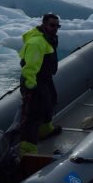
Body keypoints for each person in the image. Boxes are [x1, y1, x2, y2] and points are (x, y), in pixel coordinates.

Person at [18, 13, 62, 156]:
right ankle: (28, 148)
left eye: (57, 26)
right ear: (44, 24)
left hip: (45, 77)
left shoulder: (47, 39)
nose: (55, 28)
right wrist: (30, 86)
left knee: (50, 100)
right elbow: (30, 66)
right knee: (34, 111)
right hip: (34, 79)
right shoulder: (37, 42)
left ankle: (45, 129)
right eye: (52, 25)